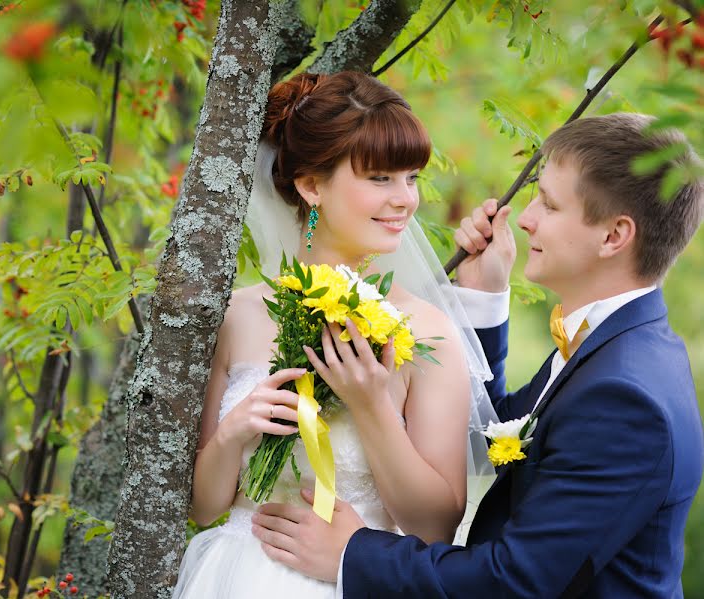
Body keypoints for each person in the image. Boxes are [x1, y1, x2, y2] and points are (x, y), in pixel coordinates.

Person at [252, 112, 704, 598]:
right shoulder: (613, 346)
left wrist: (352, 553)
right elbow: (497, 441)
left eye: (549, 206)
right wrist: (484, 299)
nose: (525, 219)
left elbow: (514, 581)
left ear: (613, 236)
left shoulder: (625, 398)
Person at [172, 71, 498, 598]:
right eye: (380, 179)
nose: (405, 201)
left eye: (410, 178)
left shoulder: (428, 331)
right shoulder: (237, 315)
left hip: (354, 580)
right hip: (237, 573)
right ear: (311, 185)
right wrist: (235, 431)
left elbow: (436, 526)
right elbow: (203, 506)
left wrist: (369, 403)